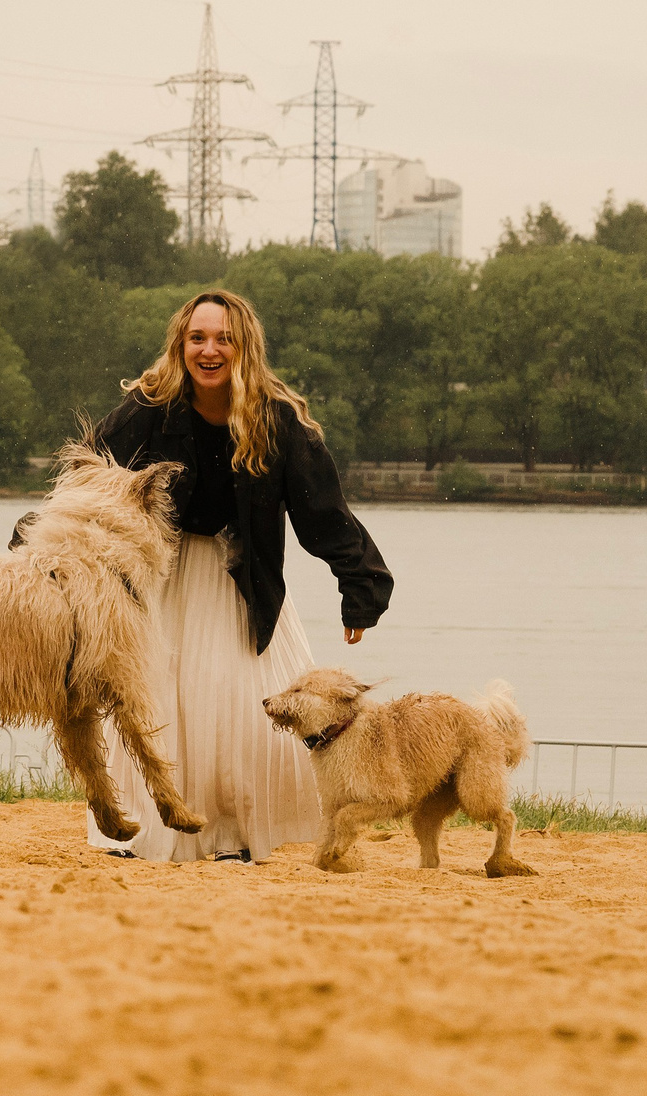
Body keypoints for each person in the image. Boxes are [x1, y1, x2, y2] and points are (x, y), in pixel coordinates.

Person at [79, 289, 392, 863]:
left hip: (243, 584)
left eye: (224, 338)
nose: (210, 350)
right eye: (198, 337)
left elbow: (321, 512)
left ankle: (230, 836)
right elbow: (90, 474)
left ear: (243, 346)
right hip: (161, 578)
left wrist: (360, 588)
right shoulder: (151, 406)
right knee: (154, 702)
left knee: (240, 709)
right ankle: (141, 832)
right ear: (181, 344)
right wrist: (38, 543)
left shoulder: (277, 421)